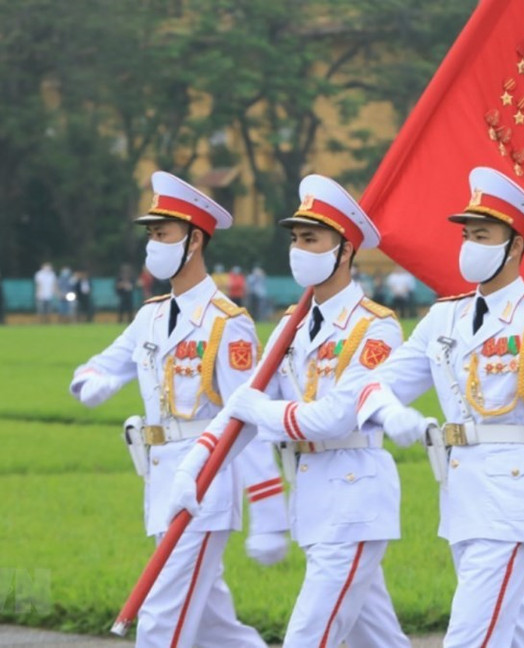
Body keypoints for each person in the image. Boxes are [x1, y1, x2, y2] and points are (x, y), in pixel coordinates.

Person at [354, 167, 524, 647]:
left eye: (482, 235)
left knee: (470, 637)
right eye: (467, 234)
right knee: (516, 634)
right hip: (460, 496)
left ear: (516, 246)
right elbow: (374, 385)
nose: (469, 245)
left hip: (507, 501)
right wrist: (389, 412)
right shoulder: (445, 316)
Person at [172, 174, 411, 648]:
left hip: (354, 497)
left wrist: (263, 409)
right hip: (316, 499)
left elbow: (337, 416)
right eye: (295, 239)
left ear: (344, 250)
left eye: (311, 239)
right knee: (378, 639)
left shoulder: (377, 329)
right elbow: (242, 410)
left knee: (307, 636)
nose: (298, 249)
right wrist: (193, 465)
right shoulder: (291, 324)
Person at [68, 171, 288, 648]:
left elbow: (245, 419)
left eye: (161, 234)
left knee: (160, 622)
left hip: (203, 489)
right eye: (150, 234)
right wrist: (94, 383)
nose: (152, 244)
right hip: (161, 485)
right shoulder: (150, 314)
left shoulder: (227, 323)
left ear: (193, 241)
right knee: (214, 627)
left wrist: (268, 509)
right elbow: (98, 366)